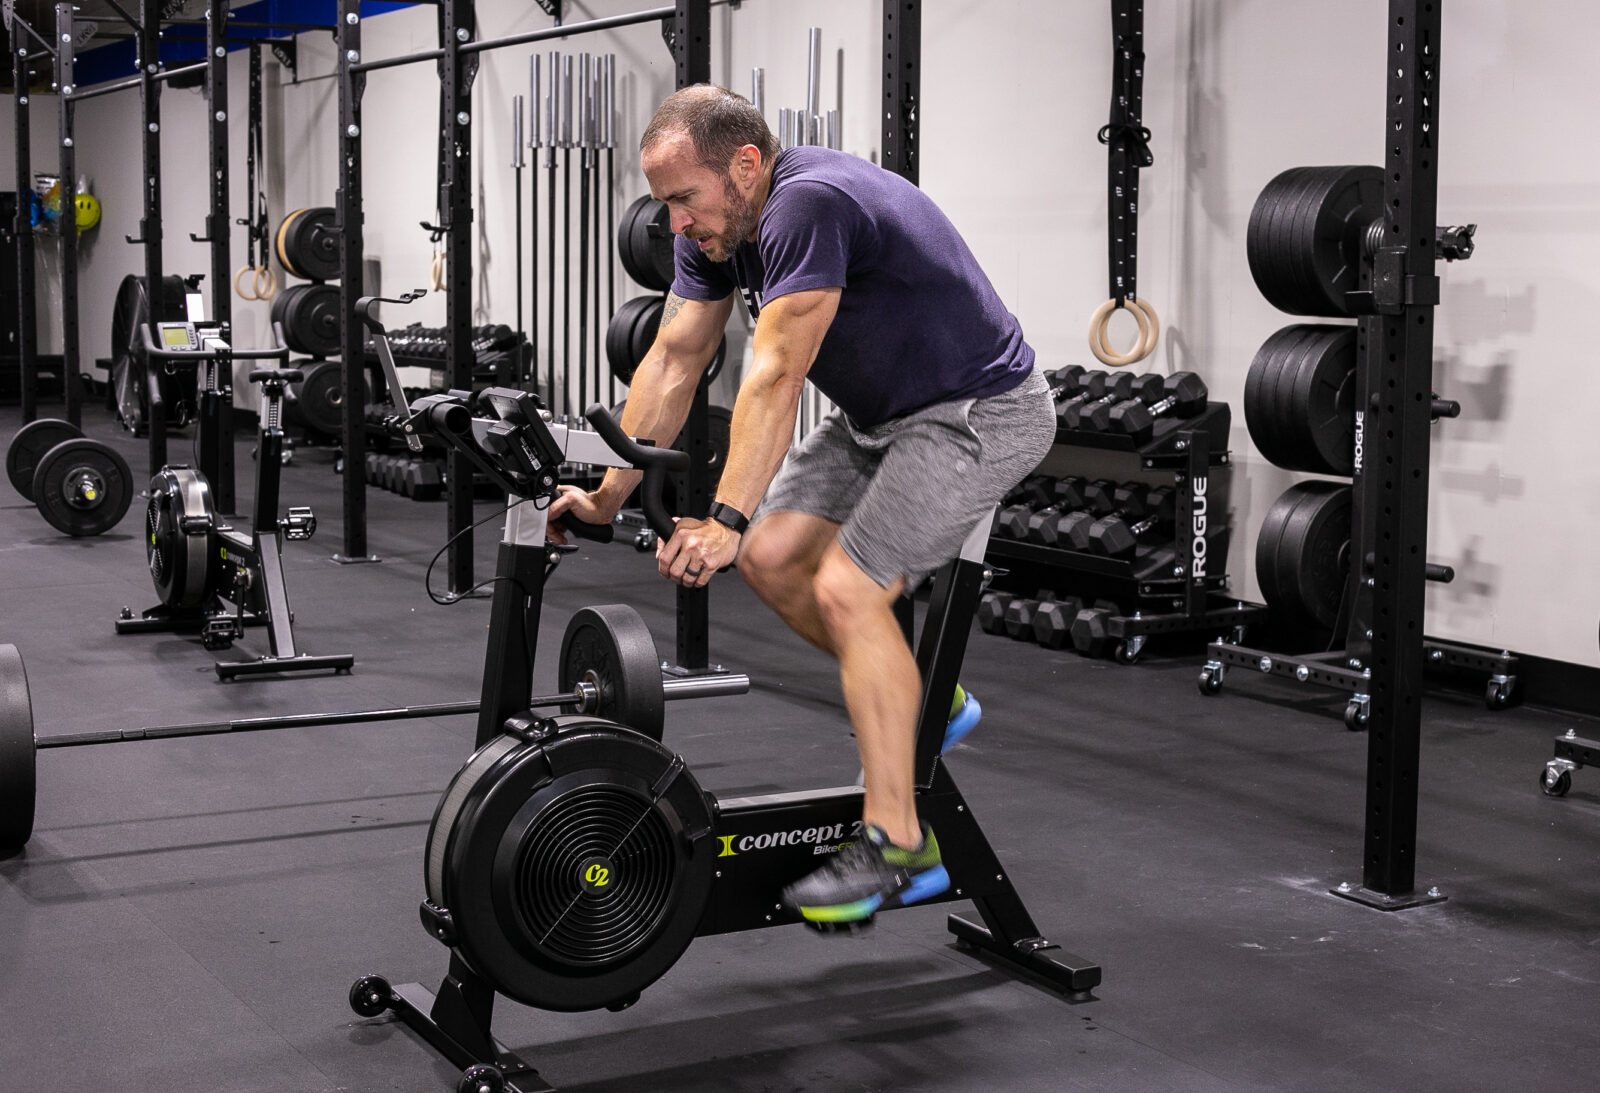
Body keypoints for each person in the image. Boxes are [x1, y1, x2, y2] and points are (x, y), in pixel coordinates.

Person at [549, 85, 1055, 925]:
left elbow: (777, 372)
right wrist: (607, 496)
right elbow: (675, 360)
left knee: (850, 591)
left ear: (746, 164)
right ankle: (933, 700)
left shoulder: (806, 205)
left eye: (685, 199)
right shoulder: (717, 231)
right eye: (665, 202)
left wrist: (725, 515)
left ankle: (901, 842)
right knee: (777, 559)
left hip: (980, 414)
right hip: (881, 418)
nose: (675, 223)